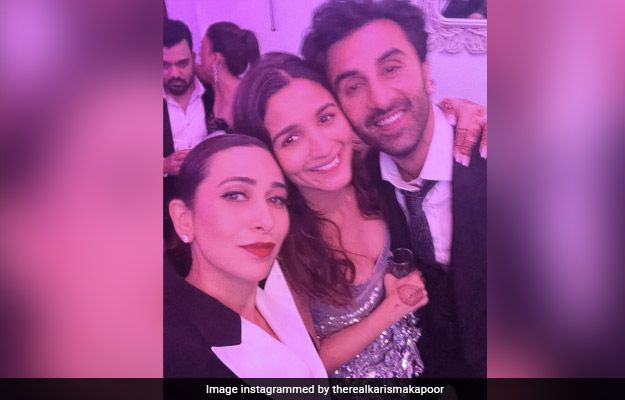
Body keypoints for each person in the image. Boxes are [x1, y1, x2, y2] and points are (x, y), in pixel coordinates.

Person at [301, 0, 487, 377]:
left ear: (426, 71)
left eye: (391, 68)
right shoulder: (356, 181)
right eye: (353, 86)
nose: (380, 99)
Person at [164, 134, 327, 378]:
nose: (266, 220)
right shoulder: (168, 355)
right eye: (235, 195)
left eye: (276, 199)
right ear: (183, 218)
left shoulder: (279, 294)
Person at [163, 19, 219, 248]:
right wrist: (163, 166)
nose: (174, 73)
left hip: (214, 203)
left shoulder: (213, 94)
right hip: (166, 212)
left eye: (182, 63)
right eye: (164, 65)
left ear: (194, 57)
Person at [195, 22, 260, 132]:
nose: (199, 53)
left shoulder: (248, 99)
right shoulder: (210, 87)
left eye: (202, 47)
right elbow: (194, 66)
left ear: (215, 58)